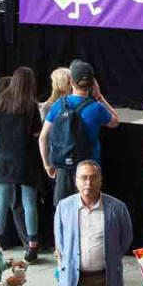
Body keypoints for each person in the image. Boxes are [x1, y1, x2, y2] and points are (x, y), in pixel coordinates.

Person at [39, 59, 118, 206]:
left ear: (71, 81)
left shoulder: (58, 104)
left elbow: (43, 138)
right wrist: (99, 97)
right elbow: (115, 121)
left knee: (63, 211)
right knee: (89, 210)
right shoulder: (96, 108)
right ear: (92, 84)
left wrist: (48, 165)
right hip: (89, 169)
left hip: (62, 167)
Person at [0, 68, 46, 261]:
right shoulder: (30, 105)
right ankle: (32, 246)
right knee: (29, 203)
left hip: (4, 158)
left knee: (2, 202)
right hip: (26, 158)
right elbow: (37, 134)